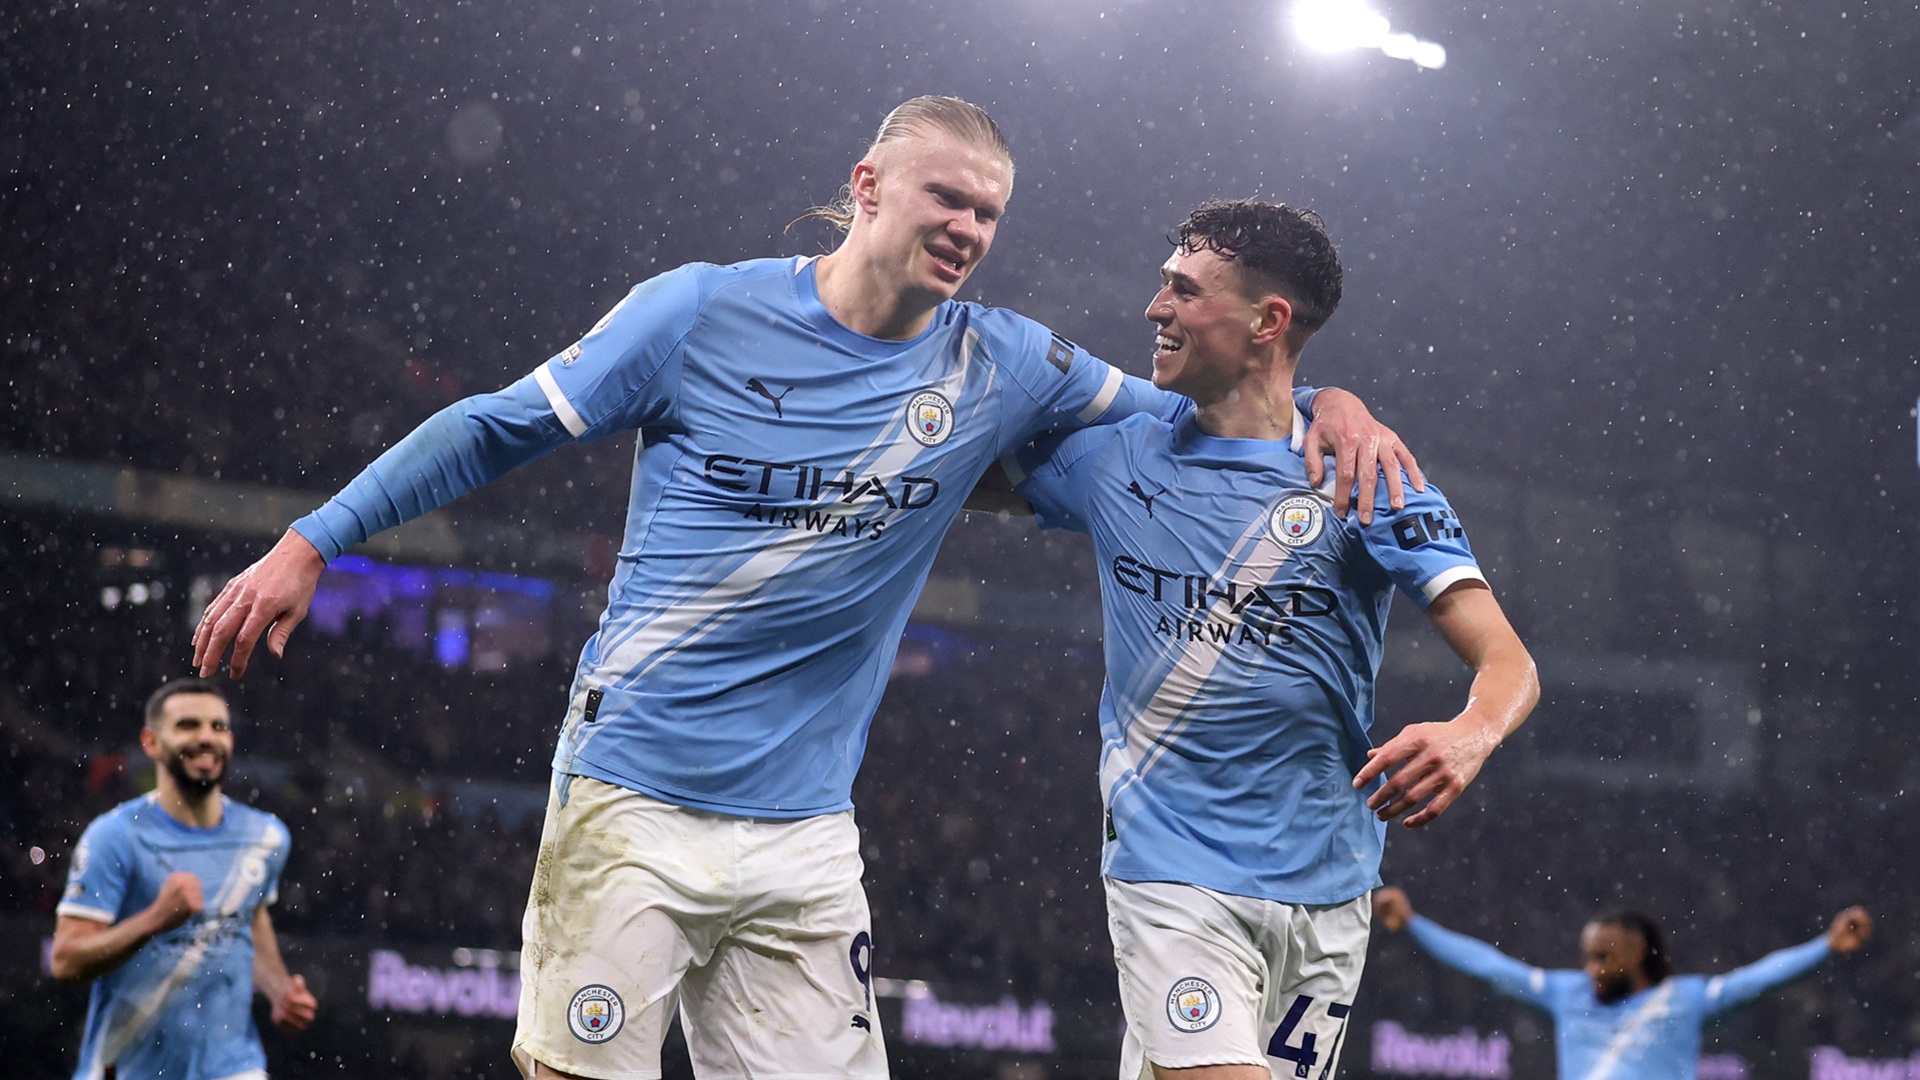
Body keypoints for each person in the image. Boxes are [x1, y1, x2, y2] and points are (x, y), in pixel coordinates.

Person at [189, 97, 1420, 1079]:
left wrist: (1330, 402)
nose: (972, 229)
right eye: (950, 196)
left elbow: (1207, 409)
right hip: (636, 799)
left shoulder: (1004, 361)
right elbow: (498, 427)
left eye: (991, 214)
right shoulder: (698, 313)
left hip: (808, 836)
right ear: (869, 186)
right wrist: (315, 539)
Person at [1004, 199, 1539, 1080]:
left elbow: (1509, 662)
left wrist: (1470, 731)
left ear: (1269, 319)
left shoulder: (1367, 476)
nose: (1154, 307)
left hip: (1329, 887)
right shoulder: (1115, 456)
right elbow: (937, 470)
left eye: (1182, 288)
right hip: (1169, 867)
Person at [51, 677, 317, 1080]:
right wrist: (155, 918)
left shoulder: (266, 837)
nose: (206, 738)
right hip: (128, 1067)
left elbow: (249, 915)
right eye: (188, 725)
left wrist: (280, 990)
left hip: (234, 1067)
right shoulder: (116, 836)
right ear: (151, 742)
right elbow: (66, 960)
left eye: (218, 727)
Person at [1372, 886, 1874, 1080]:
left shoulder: (1686, 999)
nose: (1591, 968)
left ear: (1636, 953)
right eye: (1587, 957)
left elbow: (1758, 980)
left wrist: (1825, 946)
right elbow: (1488, 966)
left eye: (1603, 957)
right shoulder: (1565, 992)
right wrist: (1414, 924)